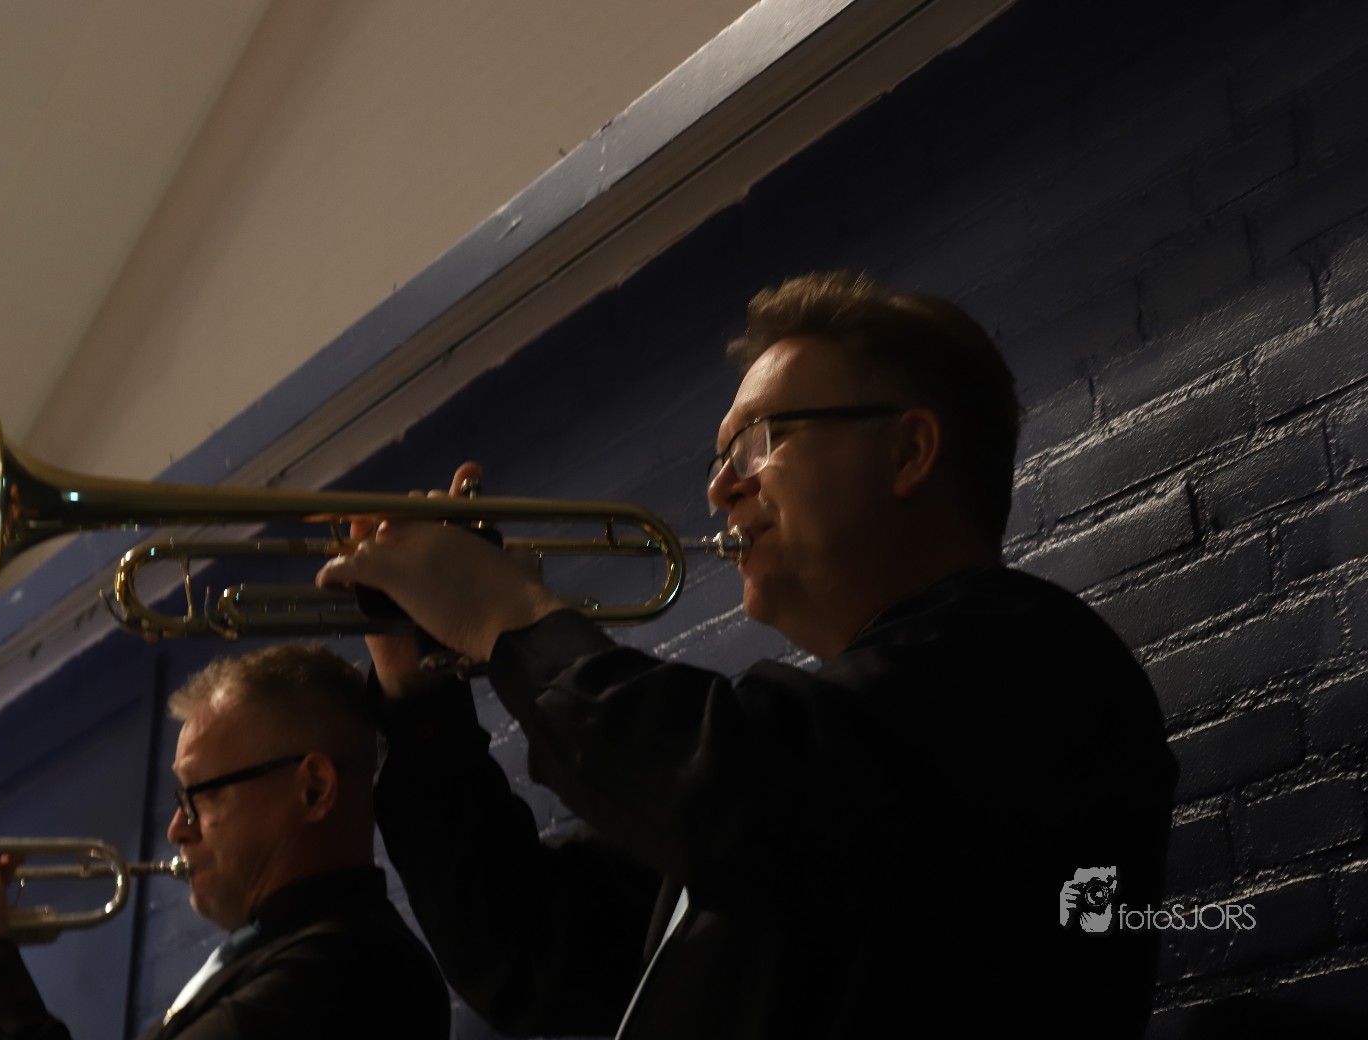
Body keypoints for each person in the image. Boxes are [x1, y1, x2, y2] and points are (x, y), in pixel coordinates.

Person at [316, 270, 1179, 1037]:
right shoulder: (820, 758)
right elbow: (531, 954)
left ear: (909, 451)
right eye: (721, 456)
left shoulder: (1031, 658)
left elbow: (736, 792)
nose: (720, 487)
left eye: (758, 442)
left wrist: (508, 618)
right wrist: (418, 696)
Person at [0, 643, 450, 1040]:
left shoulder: (358, 967)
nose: (177, 829)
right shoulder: (272, 958)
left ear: (313, 789)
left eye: (200, 796)